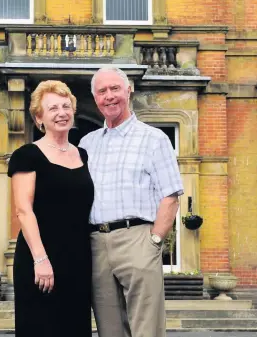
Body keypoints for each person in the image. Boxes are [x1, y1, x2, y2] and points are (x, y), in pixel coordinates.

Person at [79, 67, 184, 337]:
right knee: (109, 329)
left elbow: (170, 196)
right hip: (96, 245)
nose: (109, 96)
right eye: (102, 91)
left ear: (129, 90)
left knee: (146, 328)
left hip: (137, 237)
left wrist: (155, 241)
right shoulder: (87, 144)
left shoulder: (154, 139)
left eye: (115, 88)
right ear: (95, 97)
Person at [7, 80, 94, 337]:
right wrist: (41, 259)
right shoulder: (27, 155)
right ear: (39, 117)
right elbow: (24, 210)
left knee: (75, 328)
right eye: (53, 108)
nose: (62, 113)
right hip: (40, 259)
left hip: (78, 259)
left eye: (66, 106)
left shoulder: (83, 155)